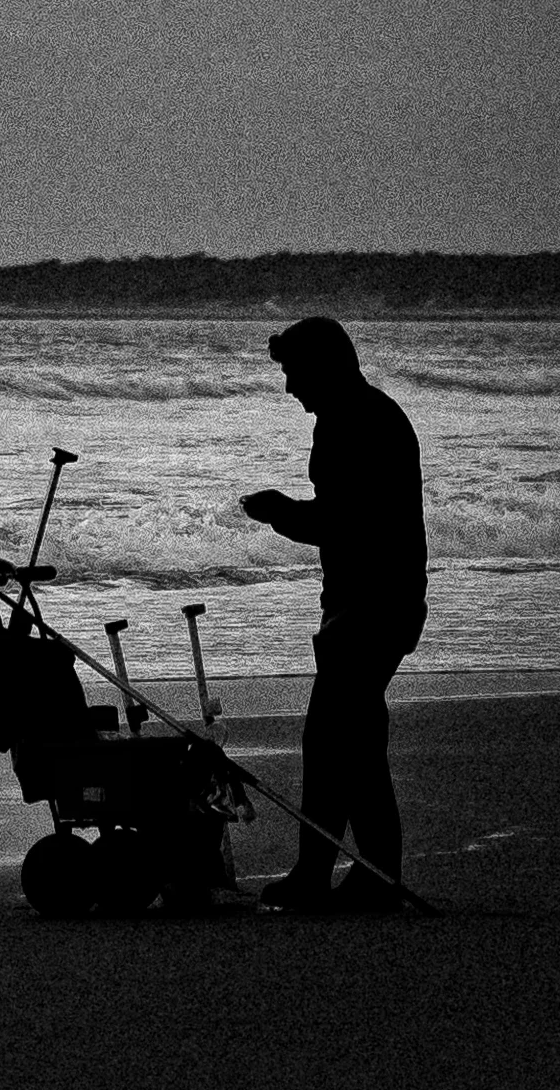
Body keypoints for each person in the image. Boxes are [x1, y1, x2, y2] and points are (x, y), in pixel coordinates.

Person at [241, 315, 427, 912]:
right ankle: (365, 875)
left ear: (323, 366)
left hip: (372, 604)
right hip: (376, 600)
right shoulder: (366, 414)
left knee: (333, 741)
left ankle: (321, 873)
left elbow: (343, 521)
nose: (290, 388)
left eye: (294, 372)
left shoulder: (356, 421)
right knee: (354, 742)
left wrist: (280, 513)